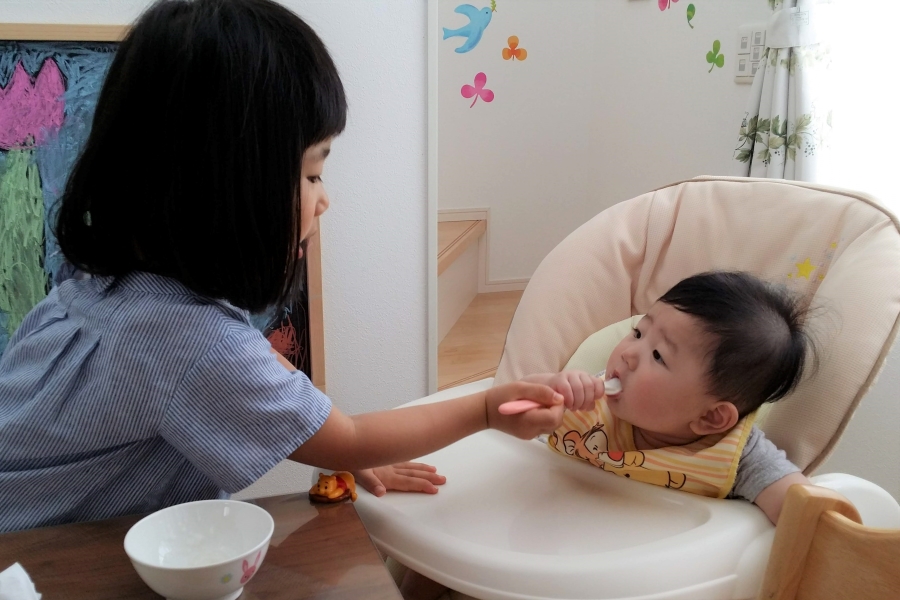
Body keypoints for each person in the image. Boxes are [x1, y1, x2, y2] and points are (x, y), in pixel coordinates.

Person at [0, 0, 566, 534]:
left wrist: (348, 450)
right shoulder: (193, 344)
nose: (325, 199)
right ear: (229, 186)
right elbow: (348, 434)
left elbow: (279, 386)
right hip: (40, 560)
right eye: (313, 174)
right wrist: (487, 408)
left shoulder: (106, 286)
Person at [399, 271, 818, 600]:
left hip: (627, 579)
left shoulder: (739, 457)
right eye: (638, 332)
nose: (629, 353)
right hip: (541, 539)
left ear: (711, 419)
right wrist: (549, 389)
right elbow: (515, 407)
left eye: (657, 355)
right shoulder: (584, 401)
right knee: (439, 546)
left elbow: (807, 513)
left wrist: (834, 526)